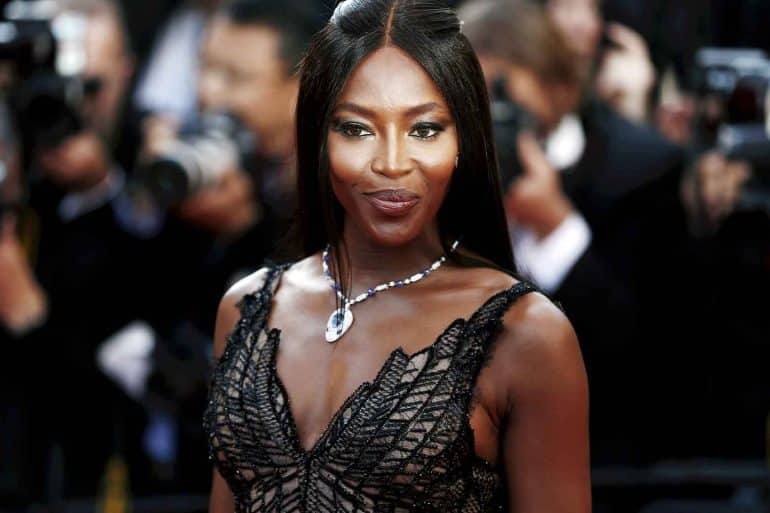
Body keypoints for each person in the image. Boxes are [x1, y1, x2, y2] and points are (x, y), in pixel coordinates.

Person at [203, 1, 590, 512]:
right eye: (356, 128)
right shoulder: (246, 309)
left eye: (424, 129)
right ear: (317, 134)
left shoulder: (526, 335)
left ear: (465, 138)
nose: (391, 162)